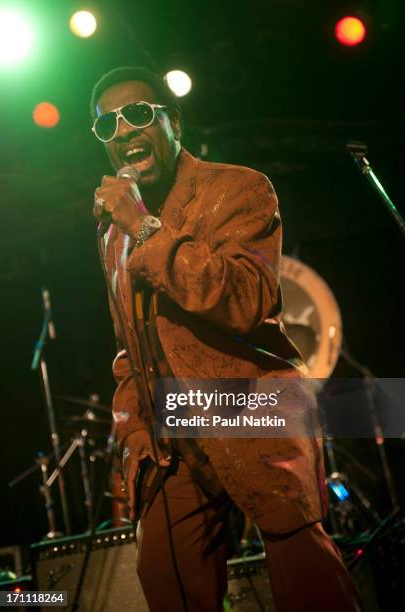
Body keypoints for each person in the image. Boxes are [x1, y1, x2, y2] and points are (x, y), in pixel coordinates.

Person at [91, 66, 362, 612]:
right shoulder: (111, 232)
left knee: (306, 582)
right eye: (108, 125)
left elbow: (244, 299)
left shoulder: (237, 188)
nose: (124, 131)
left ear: (174, 122)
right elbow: (129, 349)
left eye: (140, 114)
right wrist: (133, 431)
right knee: (165, 579)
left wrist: (146, 229)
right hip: (172, 439)